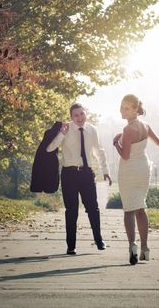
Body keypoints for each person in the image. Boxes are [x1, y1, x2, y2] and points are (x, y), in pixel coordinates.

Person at [113, 94, 159, 265]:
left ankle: (133, 246)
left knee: (129, 210)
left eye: (126, 108)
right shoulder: (145, 126)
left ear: (134, 110)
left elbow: (125, 156)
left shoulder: (128, 130)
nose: (122, 110)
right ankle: (145, 248)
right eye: (121, 106)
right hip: (144, 168)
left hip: (130, 170)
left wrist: (116, 143)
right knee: (140, 207)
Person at [47, 103, 112, 255]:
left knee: (93, 209)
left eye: (82, 114)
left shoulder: (92, 129)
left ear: (85, 113)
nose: (79, 118)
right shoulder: (65, 129)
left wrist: (105, 171)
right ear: (71, 117)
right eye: (76, 115)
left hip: (87, 174)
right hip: (69, 174)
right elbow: (50, 148)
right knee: (71, 211)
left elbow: (99, 152)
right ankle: (71, 246)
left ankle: (99, 240)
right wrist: (62, 134)